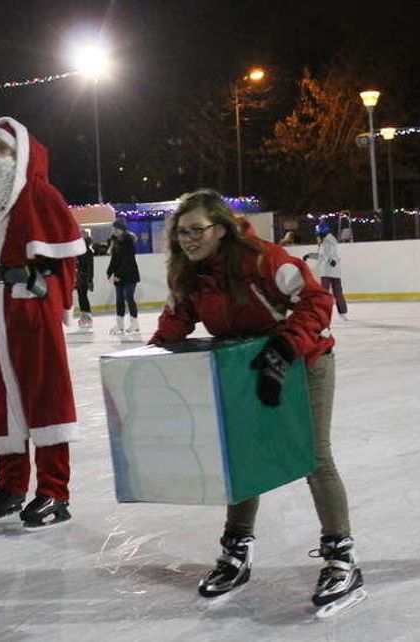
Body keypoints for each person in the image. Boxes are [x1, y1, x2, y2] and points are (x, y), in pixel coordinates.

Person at [149, 189, 365, 615]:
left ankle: (342, 557)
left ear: (222, 229)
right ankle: (236, 551)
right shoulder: (188, 275)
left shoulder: (263, 260)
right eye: (180, 232)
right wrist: (153, 366)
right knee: (244, 456)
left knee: (314, 456)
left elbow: (316, 302)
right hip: (247, 367)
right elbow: (175, 322)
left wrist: (283, 350)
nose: (186, 240)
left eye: (196, 230)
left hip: (304, 360)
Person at [0, 116, 86, 528]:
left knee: (46, 395)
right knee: (3, 398)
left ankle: (53, 492)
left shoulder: (41, 195)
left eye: (2, 150)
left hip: (31, 307)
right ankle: (12, 485)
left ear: (21, 156)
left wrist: (50, 298)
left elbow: (65, 258)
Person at [305, 222, 349, 321]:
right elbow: (322, 255)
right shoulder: (325, 241)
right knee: (333, 292)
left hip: (329, 270)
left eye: (319, 233)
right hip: (329, 270)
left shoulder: (329, 241)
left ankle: (340, 312)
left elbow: (327, 255)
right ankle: (340, 313)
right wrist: (310, 255)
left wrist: (330, 261)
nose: (318, 235)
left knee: (330, 292)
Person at [106, 218, 141, 336]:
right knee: (119, 300)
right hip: (120, 275)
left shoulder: (127, 241)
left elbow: (127, 261)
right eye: (113, 228)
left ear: (122, 229)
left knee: (129, 297)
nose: (114, 230)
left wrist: (118, 275)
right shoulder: (116, 241)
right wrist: (109, 272)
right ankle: (120, 324)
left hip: (130, 275)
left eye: (116, 228)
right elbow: (115, 259)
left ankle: (134, 322)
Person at [73, 229, 95, 333]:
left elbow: (90, 267)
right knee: (80, 296)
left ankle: (88, 316)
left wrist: (90, 279)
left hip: (85, 277)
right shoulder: (78, 249)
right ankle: (83, 315)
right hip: (79, 276)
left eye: (82, 235)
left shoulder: (88, 250)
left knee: (83, 296)